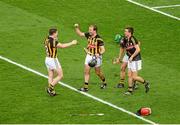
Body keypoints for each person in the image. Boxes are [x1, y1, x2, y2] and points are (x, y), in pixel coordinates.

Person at [44, 28, 77, 96]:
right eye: (56, 33)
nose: (57, 34)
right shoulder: (53, 41)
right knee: (60, 75)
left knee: (51, 75)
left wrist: (55, 39)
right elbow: (62, 46)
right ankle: (50, 87)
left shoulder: (47, 39)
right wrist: (72, 43)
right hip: (53, 59)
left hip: (47, 59)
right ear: (54, 33)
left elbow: (52, 44)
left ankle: (51, 91)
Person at [74, 24, 106, 92]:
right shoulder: (88, 35)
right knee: (86, 71)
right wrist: (76, 28)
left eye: (90, 30)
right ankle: (85, 87)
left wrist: (99, 53)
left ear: (95, 31)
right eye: (89, 30)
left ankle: (104, 82)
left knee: (98, 72)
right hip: (89, 55)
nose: (89, 31)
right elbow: (80, 34)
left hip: (97, 57)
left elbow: (103, 49)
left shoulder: (99, 39)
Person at [118, 26, 150, 95]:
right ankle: (130, 90)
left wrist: (132, 56)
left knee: (134, 77)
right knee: (129, 75)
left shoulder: (133, 39)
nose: (124, 32)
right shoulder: (126, 39)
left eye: (126, 31)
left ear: (129, 33)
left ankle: (145, 83)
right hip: (131, 59)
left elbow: (138, 49)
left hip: (136, 59)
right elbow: (123, 47)